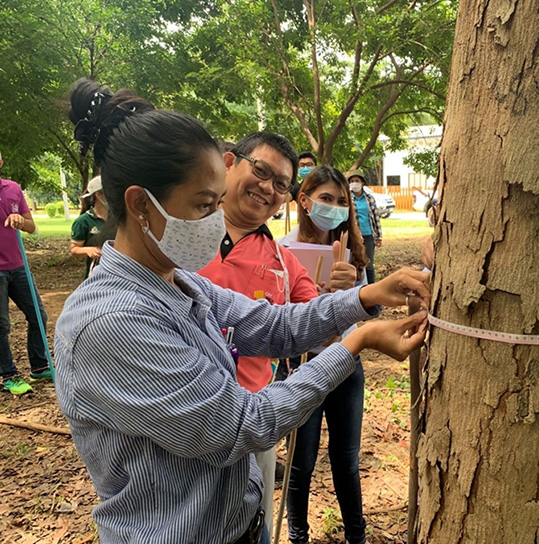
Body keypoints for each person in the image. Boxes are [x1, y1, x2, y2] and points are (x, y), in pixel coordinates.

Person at [56, 78, 429, 544]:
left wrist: (367, 297)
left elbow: (273, 324)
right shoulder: (113, 322)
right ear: (140, 205)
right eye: (202, 205)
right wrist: (357, 340)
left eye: (216, 203)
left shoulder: (179, 283)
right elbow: (244, 425)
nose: (216, 220)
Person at [198, 132, 321, 534]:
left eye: (281, 184)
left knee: (255, 526)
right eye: (261, 170)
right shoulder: (181, 235)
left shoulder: (283, 262)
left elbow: (316, 321)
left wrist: (345, 294)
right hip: (183, 413)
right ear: (230, 162)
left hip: (253, 421)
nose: (267, 188)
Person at [279, 166, 369, 544]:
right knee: (301, 462)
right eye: (326, 199)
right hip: (302, 368)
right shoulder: (282, 250)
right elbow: (270, 314)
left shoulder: (353, 255)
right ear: (304, 200)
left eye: (341, 201)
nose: (333, 208)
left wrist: (349, 295)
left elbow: (366, 310)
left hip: (346, 366)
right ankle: (298, 536)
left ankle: (357, 536)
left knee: (346, 461)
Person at [0, 151, 51, 395]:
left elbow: (31, 227)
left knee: (38, 315)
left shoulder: (12, 189)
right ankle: (8, 375)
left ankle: (39, 367)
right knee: (1, 325)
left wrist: (20, 219)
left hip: (18, 266)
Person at [70, 175, 114, 277]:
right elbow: (74, 249)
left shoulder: (119, 218)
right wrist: (89, 250)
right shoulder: (83, 221)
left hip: (119, 270)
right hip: (96, 273)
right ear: (98, 194)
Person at [348, 169, 381, 284]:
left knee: (369, 264)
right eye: (352, 181)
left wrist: (378, 236)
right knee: (356, 263)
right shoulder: (347, 199)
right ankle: (358, 291)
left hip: (369, 235)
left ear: (362, 183)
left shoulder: (369, 198)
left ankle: (372, 290)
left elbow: (375, 217)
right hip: (354, 236)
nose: (354, 183)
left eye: (357, 180)